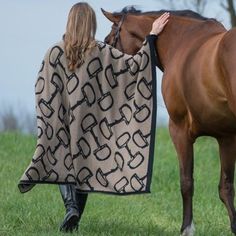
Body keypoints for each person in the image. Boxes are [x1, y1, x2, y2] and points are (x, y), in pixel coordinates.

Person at [18, 2, 169, 233]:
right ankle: (74, 215)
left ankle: (71, 209)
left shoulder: (54, 52)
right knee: (84, 164)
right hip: (88, 126)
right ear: (92, 23)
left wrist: (50, 120)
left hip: (60, 121)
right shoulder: (101, 51)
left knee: (63, 156)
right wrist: (151, 37)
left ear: (70, 22)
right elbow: (134, 66)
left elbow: (42, 86)